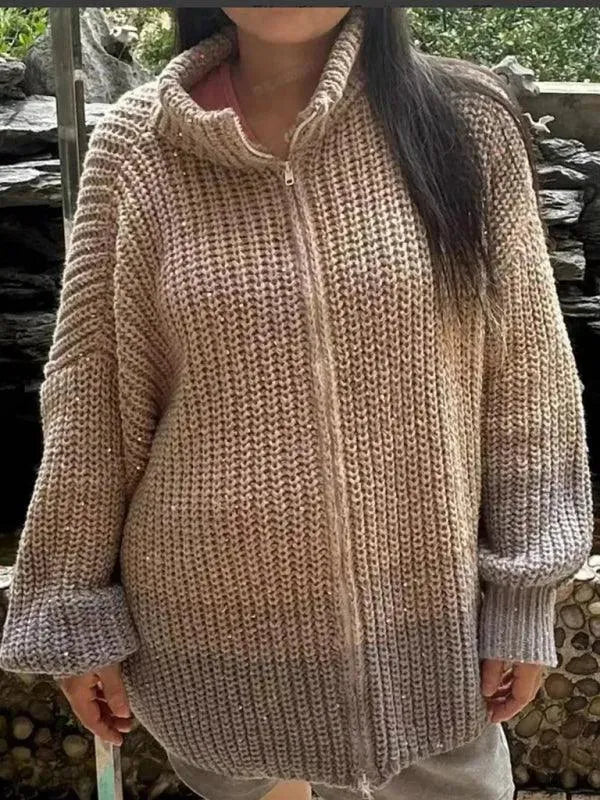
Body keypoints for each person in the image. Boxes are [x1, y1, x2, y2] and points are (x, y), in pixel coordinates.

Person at [0, 7, 594, 800]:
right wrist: (74, 608)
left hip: (428, 643)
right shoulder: (136, 150)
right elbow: (90, 401)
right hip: (209, 644)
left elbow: (529, 380)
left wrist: (523, 593)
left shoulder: (465, 124)